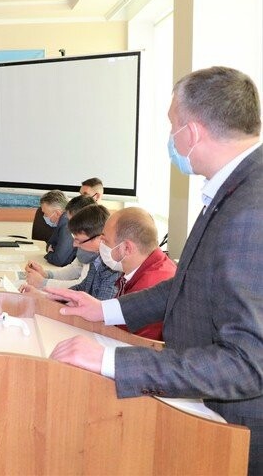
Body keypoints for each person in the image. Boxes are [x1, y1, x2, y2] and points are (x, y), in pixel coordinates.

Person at [48, 66, 263, 473]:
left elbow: (247, 363)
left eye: (172, 125)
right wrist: (104, 310)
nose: (171, 138)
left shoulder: (251, 208)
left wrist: (113, 362)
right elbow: (186, 285)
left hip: (240, 433)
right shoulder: (234, 188)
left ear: (192, 132)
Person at [96, 206, 176, 340]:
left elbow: (127, 343)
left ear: (127, 248)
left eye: (105, 241)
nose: (101, 245)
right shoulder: (149, 267)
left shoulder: (149, 286)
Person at [22, 204, 118, 300]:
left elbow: (97, 306)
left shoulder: (111, 269)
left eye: (78, 240)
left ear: (100, 239)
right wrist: (44, 294)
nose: (74, 245)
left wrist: (43, 283)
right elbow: (80, 288)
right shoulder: (95, 261)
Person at [25, 195, 97, 289]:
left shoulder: (96, 250)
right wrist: (46, 274)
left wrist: (43, 283)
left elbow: (81, 286)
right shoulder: (84, 243)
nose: (69, 227)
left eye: (71, 222)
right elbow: (74, 269)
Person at [40, 190, 75, 267]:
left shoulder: (66, 225)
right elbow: (49, 244)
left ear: (57, 213)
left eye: (45, 213)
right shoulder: (62, 221)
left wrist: (49, 254)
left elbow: (59, 260)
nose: (44, 216)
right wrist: (52, 250)